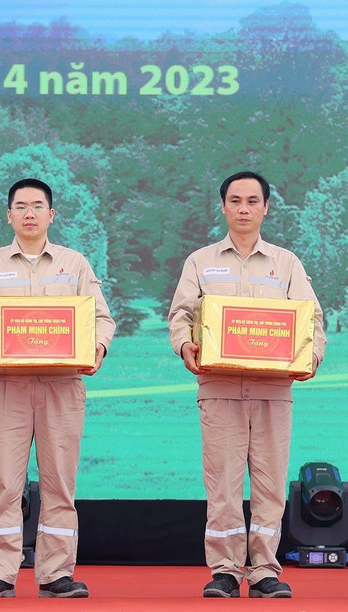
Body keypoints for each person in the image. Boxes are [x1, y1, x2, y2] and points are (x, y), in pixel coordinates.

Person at [167, 170, 325, 599]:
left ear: (266, 208)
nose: (243, 208)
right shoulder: (200, 262)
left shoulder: (286, 263)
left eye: (252, 201)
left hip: (274, 391)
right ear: (223, 207)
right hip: (218, 388)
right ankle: (224, 570)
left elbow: (311, 319)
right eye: (235, 200)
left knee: (270, 485)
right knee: (222, 485)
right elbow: (180, 315)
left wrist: (311, 357)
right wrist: (184, 346)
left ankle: (265, 571)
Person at [0, 178, 115, 599]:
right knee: (4, 483)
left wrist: (97, 348)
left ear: (51, 214)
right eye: (21, 206)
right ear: (9, 215)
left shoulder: (74, 264)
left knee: (59, 483)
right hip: (7, 387)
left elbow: (101, 319)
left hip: (62, 386)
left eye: (38, 206)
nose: (29, 213)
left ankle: (56, 573)